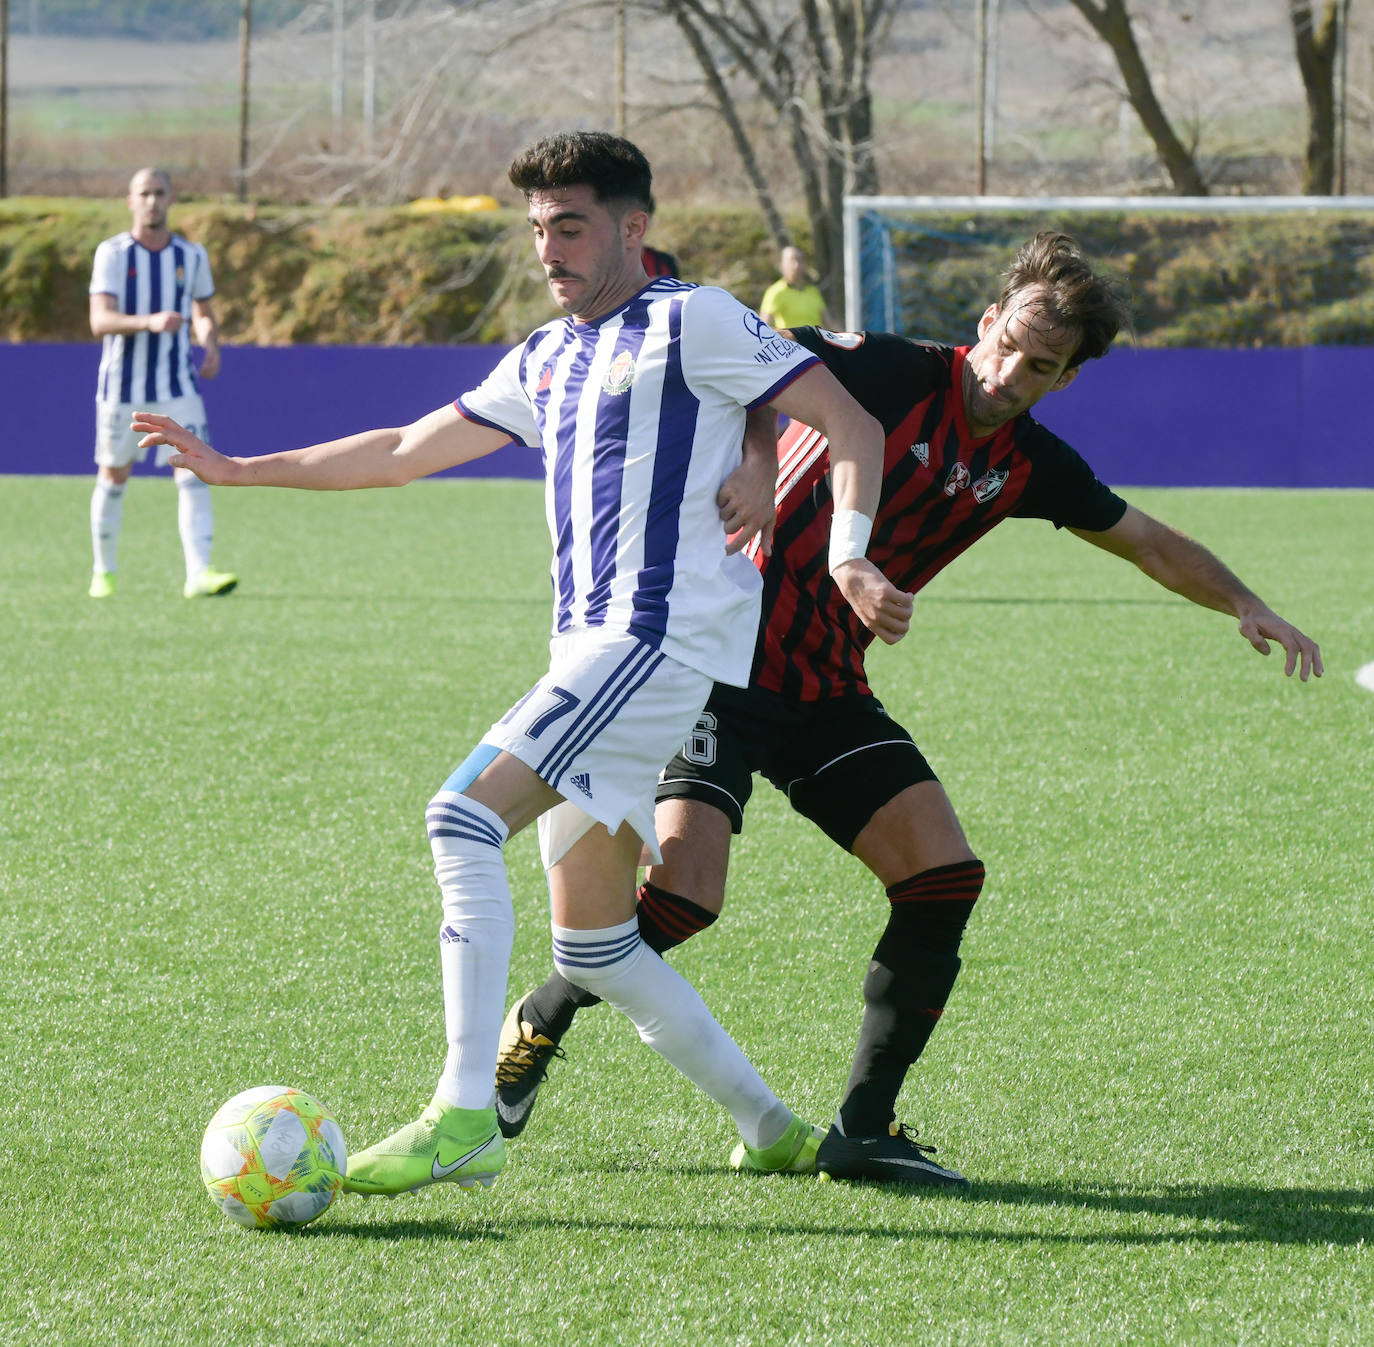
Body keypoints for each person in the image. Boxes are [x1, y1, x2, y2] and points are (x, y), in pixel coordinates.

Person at [133, 131, 901, 1197]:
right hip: (599, 654)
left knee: (458, 817)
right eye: (538, 227)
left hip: (653, 644)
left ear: (635, 228)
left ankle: (460, 1119)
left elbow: (851, 420)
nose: (549, 246)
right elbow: (405, 450)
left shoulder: (696, 319)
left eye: (572, 224)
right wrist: (239, 469)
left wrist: (849, 554)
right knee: (593, 948)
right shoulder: (545, 356)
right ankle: (770, 1126)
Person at [495, 231, 1324, 1190]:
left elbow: (1145, 539)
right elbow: (750, 353)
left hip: (826, 687)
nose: (1012, 372)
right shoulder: (888, 369)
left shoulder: (1027, 463)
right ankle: (542, 1014)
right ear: (986, 322)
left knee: (943, 876)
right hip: (716, 663)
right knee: (684, 897)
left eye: (1041, 366)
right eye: (1009, 342)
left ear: (1063, 380)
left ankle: (864, 1126)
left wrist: (1245, 601)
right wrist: (762, 463)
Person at [88, 167, 237, 600]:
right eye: (144, 194)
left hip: (178, 387)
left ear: (171, 199)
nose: (152, 201)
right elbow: (100, 320)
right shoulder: (113, 254)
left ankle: (199, 573)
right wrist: (148, 322)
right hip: (122, 389)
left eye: (159, 193)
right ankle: (104, 572)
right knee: (114, 476)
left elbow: (203, 310)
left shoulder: (191, 256)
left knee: (197, 471)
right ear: (131, 201)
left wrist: (209, 342)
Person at [759, 245, 829, 332]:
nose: (797, 265)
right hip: (790, 344)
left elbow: (829, 322)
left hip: (814, 344)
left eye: (800, 260)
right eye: (792, 260)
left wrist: (848, 339)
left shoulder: (813, 291)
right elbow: (763, 327)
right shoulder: (775, 292)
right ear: (781, 265)